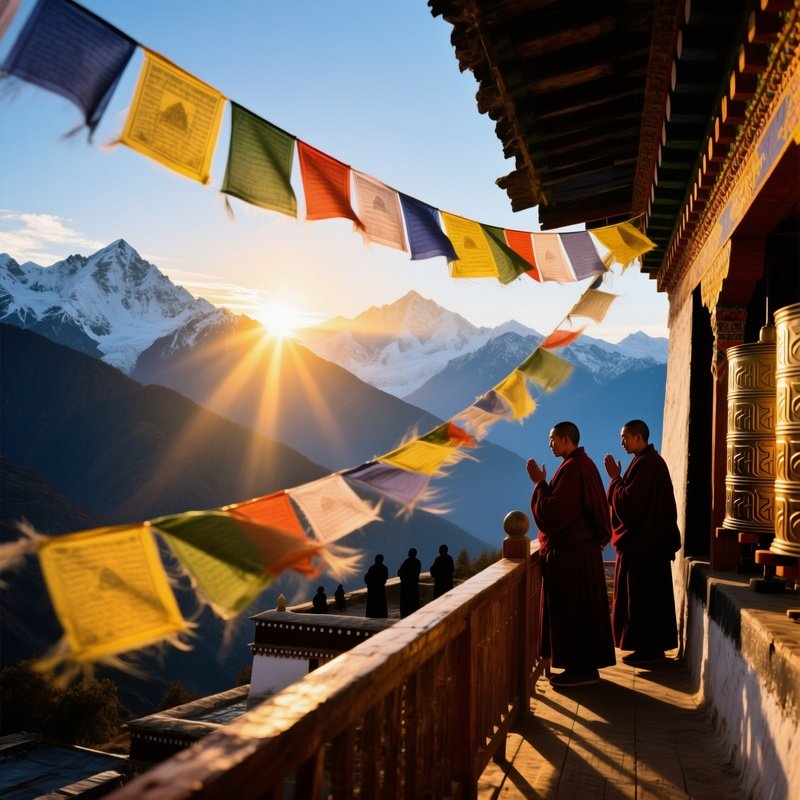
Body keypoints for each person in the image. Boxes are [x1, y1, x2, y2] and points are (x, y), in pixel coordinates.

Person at [527, 421, 616, 688]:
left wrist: (540, 485)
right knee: (580, 609)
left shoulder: (573, 468)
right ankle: (583, 667)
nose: (550, 444)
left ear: (566, 440)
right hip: (581, 550)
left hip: (572, 554)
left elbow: (553, 514)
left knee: (572, 609)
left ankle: (581, 670)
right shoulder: (582, 465)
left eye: (553, 439)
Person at [603, 419, 680, 665]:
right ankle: (648, 648)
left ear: (638, 437)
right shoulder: (647, 463)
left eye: (625, 437)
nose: (622, 442)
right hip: (648, 546)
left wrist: (615, 479)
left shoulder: (648, 465)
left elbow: (629, 505)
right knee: (646, 599)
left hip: (644, 548)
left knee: (643, 600)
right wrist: (619, 480)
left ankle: (649, 650)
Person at [397, 547, 421, 617]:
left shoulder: (406, 562)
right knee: (414, 602)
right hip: (414, 585)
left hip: (406, 586)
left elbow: (399, 572)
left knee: (406, 604)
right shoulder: (418, 562)